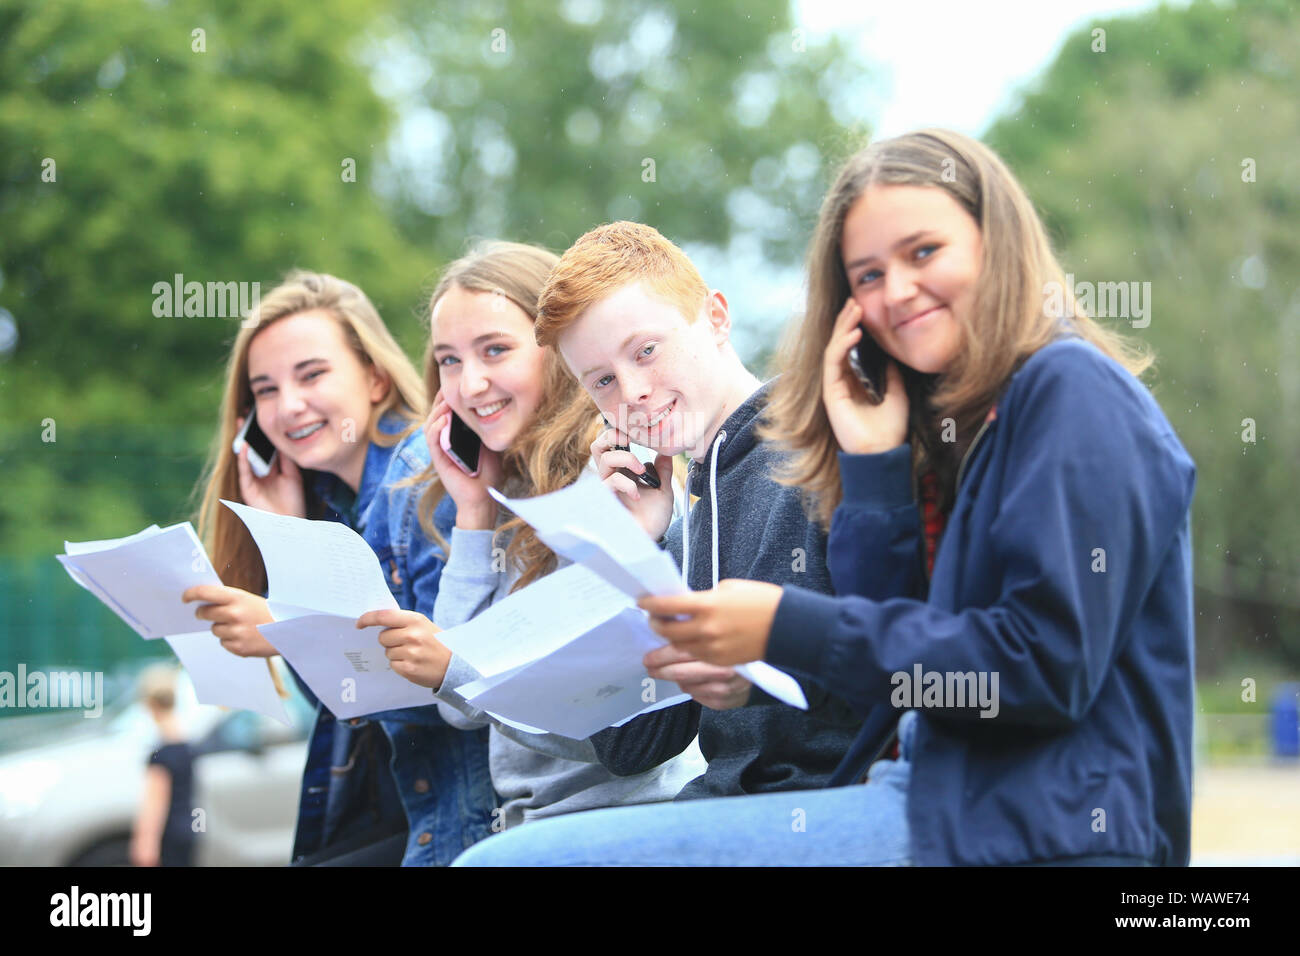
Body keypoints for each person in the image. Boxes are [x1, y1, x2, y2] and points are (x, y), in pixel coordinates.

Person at [452, 130, 1197, 867]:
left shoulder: (1069, 391)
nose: (896, 291)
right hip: (930, 799)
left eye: (924, 252)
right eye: (867, 276)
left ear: (997, 241)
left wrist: (779, 628)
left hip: (1031, 823)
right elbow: (898, 641)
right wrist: (867, 469)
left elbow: (1036, 671)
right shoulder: (932, 426)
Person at [358, 241, 705, 830]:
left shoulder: (619, 476)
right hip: (536, 821)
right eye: (449, 360)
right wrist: (471, 510)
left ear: (558, 351)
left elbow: (611, 724)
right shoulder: (505, 492)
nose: (470, 385)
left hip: (626, 818)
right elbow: (464, 708)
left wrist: (454, 669)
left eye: (495, 350)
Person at [184, 270, 495, 866]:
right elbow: (344, 699)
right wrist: (289, 536)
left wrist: (284, 626)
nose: (288, 406)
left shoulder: (423, 478)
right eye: (265, 391)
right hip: (402, 810)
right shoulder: (331, 504)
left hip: (467, 813)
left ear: (375, 377)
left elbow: (449, 690)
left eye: (312, 375)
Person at [131, 665, 197, 867]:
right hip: (189, 829)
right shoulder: (187, 745)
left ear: (150, 704)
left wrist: (145, 841)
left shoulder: (162, 754)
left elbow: (155, 803)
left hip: (169, 834)